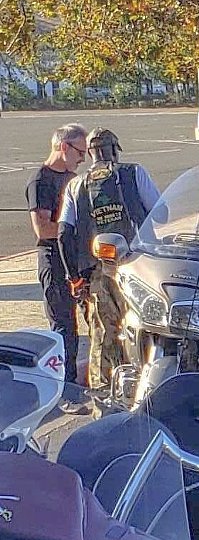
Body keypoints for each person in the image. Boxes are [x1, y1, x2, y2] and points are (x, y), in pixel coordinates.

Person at [58, 128, 160, 393]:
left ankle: (103, 393)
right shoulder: (134, 173)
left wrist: (74, 277)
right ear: (115, 149)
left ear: (90, 153)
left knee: (103, 334)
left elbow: (63, 234)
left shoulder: (75, 185)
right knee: (139, 328)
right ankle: (141, 387)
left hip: (96, 272)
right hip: (136, 268)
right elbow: (161, 214)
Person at [25, 124, 88, 407]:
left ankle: (77, 383)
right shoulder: (41, 181)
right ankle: (64, 392)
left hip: (75, 259)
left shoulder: (74, 180)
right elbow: (42, 228)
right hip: (53, 258)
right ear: (64, 147)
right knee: (64, 327)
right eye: (79, 151)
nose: (83, 158)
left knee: (84, 325)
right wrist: (70, 229)